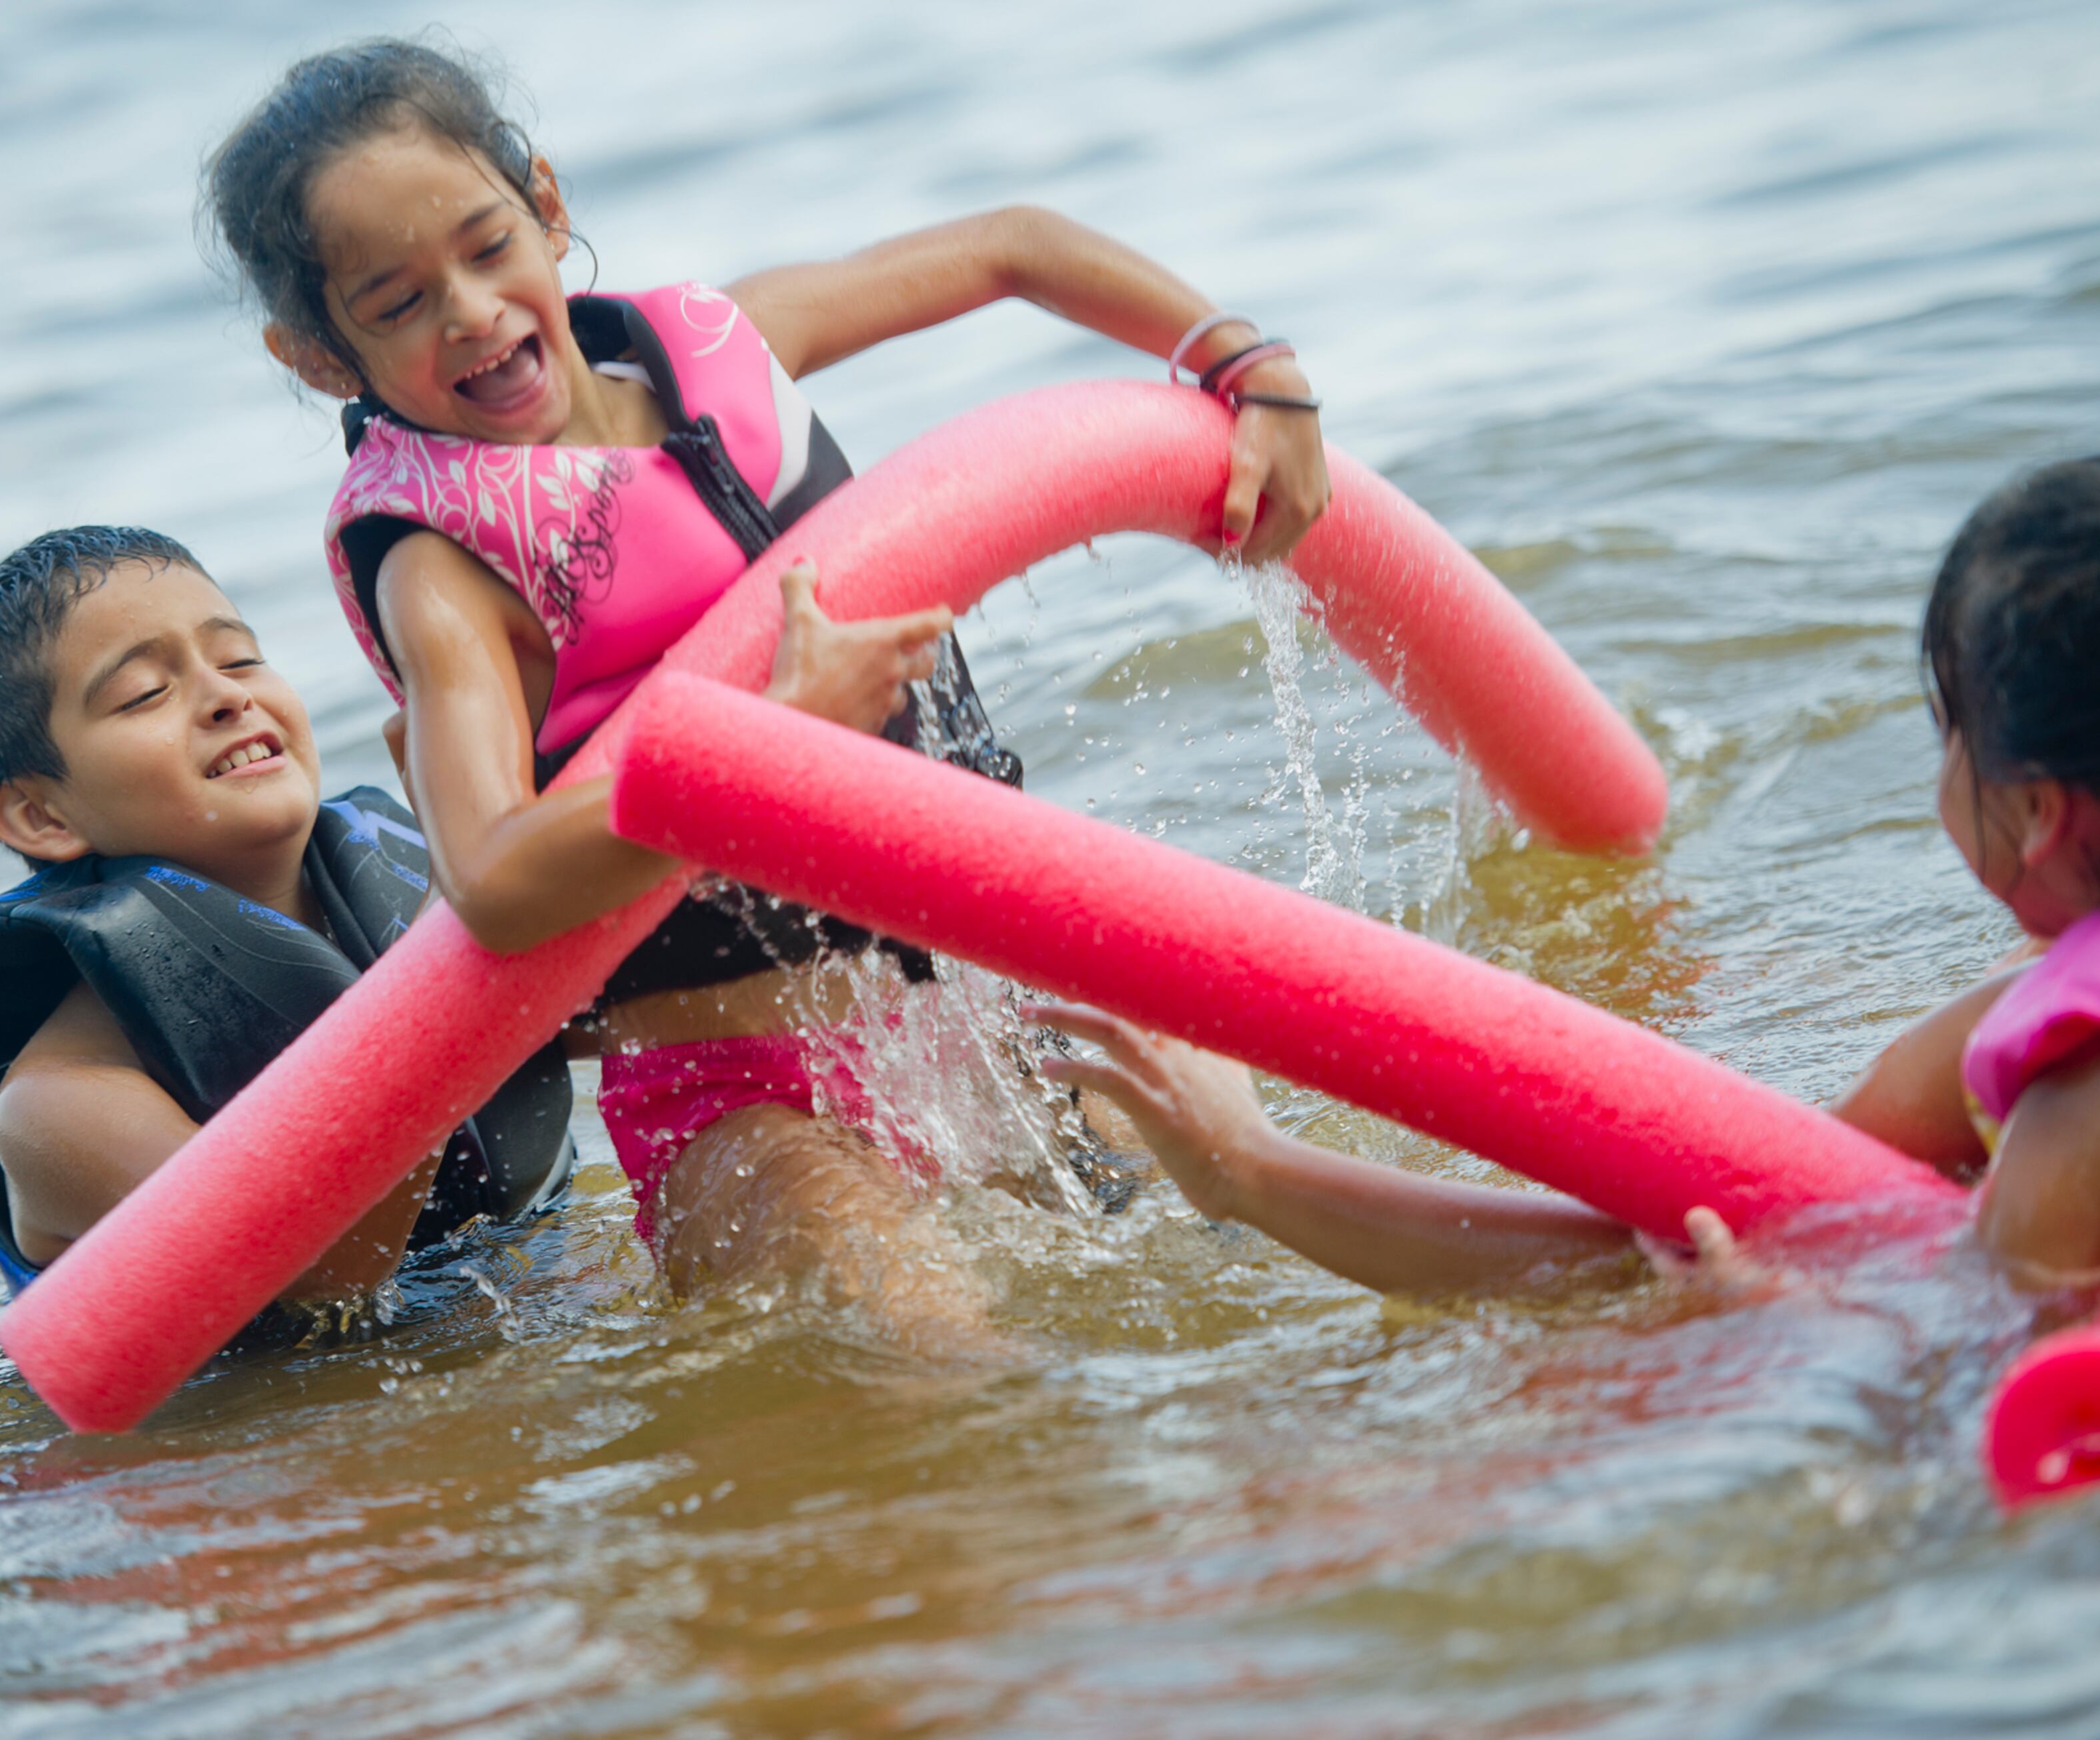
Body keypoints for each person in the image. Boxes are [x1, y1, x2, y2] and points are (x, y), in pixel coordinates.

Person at [201, 40, 1332, 1326]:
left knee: (1264, 1269)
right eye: (396, 304)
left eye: (486, 242)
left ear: (547, 205)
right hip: (740, 1097)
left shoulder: (715, 349)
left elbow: (1013, 245)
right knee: (948, 1372)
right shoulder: (440, 569)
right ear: (321, 357)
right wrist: (768, 737)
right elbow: (498, 878)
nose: (468, 309)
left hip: (996, 1001)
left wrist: (1246, 362)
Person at [1035, 439, 2100, 1298]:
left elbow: (1970, 1406)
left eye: (1951, 728)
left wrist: (1770, 1326)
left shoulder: (2091, 1117)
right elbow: (1736, 1192)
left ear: (2040, 814)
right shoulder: (2043, 1018)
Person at [0, 527, 573, 1340]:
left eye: (241, 658)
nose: (228, 696)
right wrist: (464, 907)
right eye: (146, 692)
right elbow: (327, 1267)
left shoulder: (419, 876)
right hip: (266, 1438)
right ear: (41, 814)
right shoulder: (59, 1105)